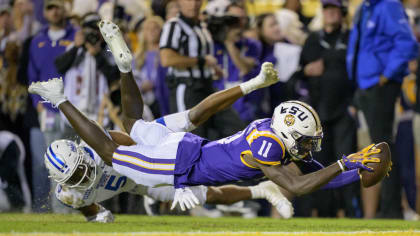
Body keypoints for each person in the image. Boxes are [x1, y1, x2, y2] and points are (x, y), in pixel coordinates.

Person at [29, 20, 383, 212]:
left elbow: (314, 176)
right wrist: (343, 165)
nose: (308, 146)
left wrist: (352, 168)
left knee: (132, 126)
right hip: (181, 158)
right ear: (289, 133)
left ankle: (124, 69)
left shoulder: (267, 132)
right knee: (112, 148)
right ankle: (61, 99)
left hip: (182, 153)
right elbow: (297, 186)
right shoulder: (269, 147)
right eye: (305, 140)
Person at [346, 0, 419, 218]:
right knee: (377, 147)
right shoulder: (365, 7)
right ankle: (388, 209)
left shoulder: (388, 5)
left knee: (383, 147)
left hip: (379, 85)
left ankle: (392, 210)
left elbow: (408, 44)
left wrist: (386, 75)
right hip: (365, 85)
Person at [160, 0, 244, 139]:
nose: (193, 4)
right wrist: (202, 61)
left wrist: (212, 67)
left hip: (207, 86)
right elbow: (167, 59)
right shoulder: (174, 25)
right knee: (191, 139)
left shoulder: (202, 26)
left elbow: (204, 57)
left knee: (235, 130)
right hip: (187, 89)